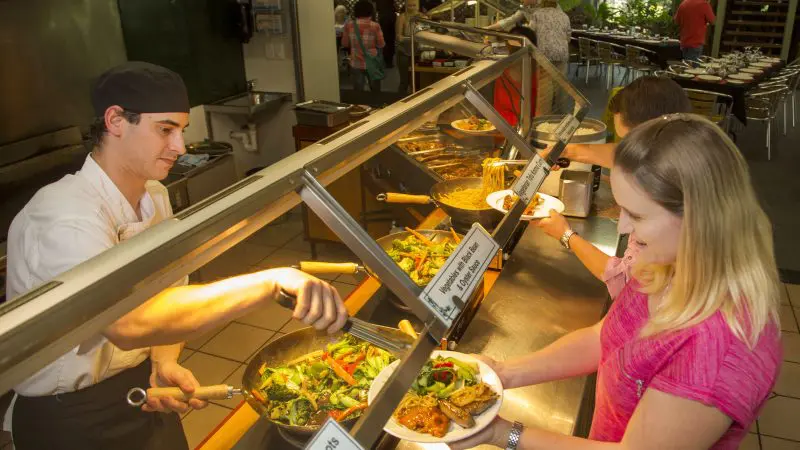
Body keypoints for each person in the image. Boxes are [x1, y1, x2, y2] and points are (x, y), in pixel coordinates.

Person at [4, 62, 348, 450]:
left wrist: (162, 361)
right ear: (116, 120)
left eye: (181, 131)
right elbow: (130, 322)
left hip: (139, 391)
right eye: (165, 130)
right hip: (69, 417)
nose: (180, 147)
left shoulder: (153, 195)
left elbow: (168, 287)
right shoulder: (63, 215)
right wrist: (269, 281)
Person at [453, 114, 782, 450]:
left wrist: (503, 434)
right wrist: (504, 374)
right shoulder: (665, 265)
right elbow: (606, 337)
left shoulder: (718, 350)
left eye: (637, 215)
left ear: (701, 217)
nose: (624, 228)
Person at [539, 76, 692, 299]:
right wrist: (568, 151)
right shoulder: (684, 150)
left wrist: (565, 234)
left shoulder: (666, 213)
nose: (624, 225)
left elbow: (624, 281)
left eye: (629, 140)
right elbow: (624, 155)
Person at [488, 0, 571, 114]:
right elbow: (568, 37)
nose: (521, 1)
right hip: (562, 54)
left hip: (544, 55)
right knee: (561, 89)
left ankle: (542, 122)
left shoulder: (537, 14)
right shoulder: (564, 15)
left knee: (545, 93)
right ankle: (562, 119)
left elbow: (530, 35)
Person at [493, 26, 538, 126]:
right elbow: (498, 111)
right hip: (505, 129)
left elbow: (541, 114)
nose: (513, 49)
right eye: (510, 45)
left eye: (518, 46)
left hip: (531, 129)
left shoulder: (540, 75)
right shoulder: (502, 75)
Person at [341, 0, 386, 92]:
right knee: (375, 92)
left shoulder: (349, 25)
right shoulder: (375, 26)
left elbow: (344, 44)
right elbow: (381, 44)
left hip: (356, 62)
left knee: (358, 92)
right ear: (371, 11)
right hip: (372, 63)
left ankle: (359, 106)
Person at [396, 0, 421, 94]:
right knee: (404, 81)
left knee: (417, 82)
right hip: (404, 52)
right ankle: (399, 104)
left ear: (418, 6)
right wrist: (414, 39)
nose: (412, 8)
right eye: (409, 5)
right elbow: (398, 37)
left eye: (414, 5)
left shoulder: (422, 17)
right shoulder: (402, 17)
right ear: (406, 6)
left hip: (418, 53)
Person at [376, 0, 397, 69]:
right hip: (391, 16)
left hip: (383, 16)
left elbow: (377, 7)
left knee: (385, 38)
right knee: (391, 39)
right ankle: (389, 61)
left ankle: (386, 60)